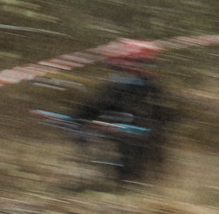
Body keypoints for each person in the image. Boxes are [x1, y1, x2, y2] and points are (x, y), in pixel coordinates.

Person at [66, 38, 175, 187]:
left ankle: (134, 182)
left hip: (140, 132)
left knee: (140, 158)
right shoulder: (118, 84)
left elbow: (163, 113)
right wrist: (79, 120)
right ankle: (127, 180)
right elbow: (97, 104)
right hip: (122, 128)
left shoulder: (148, 87)